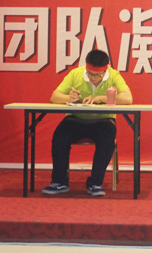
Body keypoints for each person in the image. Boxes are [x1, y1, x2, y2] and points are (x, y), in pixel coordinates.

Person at [42, 49, 132, 196]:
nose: (92, 78)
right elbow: (54, 97)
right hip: (75, 119)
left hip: (103, 120)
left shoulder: (114, 75)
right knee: (59, 137)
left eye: (97, 75)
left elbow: (128, 99)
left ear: (105, 70)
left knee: (107, 140)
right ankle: (59, 182)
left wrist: (100, 98)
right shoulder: (75, 74)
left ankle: (95, 183)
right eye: (89, 73)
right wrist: (68, 98)